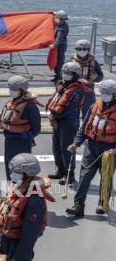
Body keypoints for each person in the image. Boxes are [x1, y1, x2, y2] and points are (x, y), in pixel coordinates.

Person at [66, 80, 116, 217]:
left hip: (109, 149)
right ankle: (78, 204)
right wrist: (76, 143)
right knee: (85, 176)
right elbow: (84, 127)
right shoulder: (94, 106)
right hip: (91, 146)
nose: (104, 95)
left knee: (106, 176)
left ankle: (102, 203)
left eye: (107, 93)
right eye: (102, 93)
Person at [0, 153, 55, 261]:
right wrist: (0, 242)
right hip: (6, 240)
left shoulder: (34, 201)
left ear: (27, 174)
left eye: (17, 173)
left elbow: (29, 235)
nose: (13, 175)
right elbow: (5, 215)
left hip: (19, 245)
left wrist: (19, 257)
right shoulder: (16, 188)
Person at [47, 62, 92, 184]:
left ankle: (69, 174)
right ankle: (60, 170)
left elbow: (69, 108)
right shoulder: (62, 86)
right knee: (56, 147)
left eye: (68, 73)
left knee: (66, 148)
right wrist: (53, 117)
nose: (65, 75)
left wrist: (54, 117)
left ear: (75, 75)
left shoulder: (77, 91)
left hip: (68, 121)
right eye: (64, 72)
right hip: (58, 120)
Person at [0, 76, 42, 180]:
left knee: (21, 167)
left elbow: (36, 128)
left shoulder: (30, 106)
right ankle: (11, 189)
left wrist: (26, 137)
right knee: (10, 164)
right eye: (11, 89)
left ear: (22, 90)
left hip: (21, 141)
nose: (11, 91)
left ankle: (21, 190)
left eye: (14, 89)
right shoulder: (12, 102)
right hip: (9, 139)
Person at [71, 39, 103, 117]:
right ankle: (74, 129)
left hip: (89, 91)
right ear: (76, 50)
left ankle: (86, 129)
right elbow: (63, 75)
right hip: (74, 91)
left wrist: (95, 78)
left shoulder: (94, 62)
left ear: (88, 50)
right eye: (79, 49)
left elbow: (100, 77)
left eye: (84, 49)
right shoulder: (70, 62)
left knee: (89, 114)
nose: (82, 51)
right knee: (73, 114)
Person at [49, 10, 69, 82]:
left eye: (57, 17)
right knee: (56, 60)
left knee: (59, 61)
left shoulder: (62, 28)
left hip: (60, 46)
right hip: (59, 45)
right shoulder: (60, 24)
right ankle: (57, 75)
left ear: (61, 19)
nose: (55, 18)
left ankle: (59, 77)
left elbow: (59, 38)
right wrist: (53, 13)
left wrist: (53, 45)